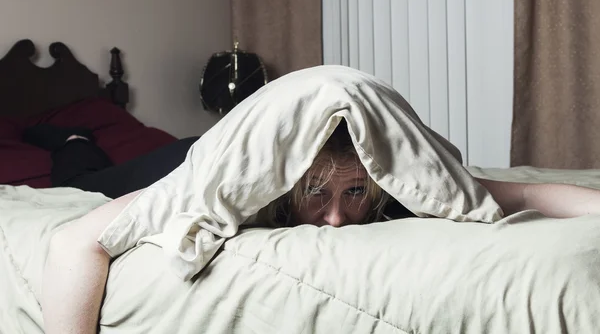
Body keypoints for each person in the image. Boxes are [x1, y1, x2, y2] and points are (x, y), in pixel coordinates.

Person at [41, 121, 600, 334]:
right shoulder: (223, 185)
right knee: (91, 177)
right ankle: (70, 138)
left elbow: (522, 193)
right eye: (317, 195)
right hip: (183, 157)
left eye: (355, 193)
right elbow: (76, 241)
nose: (337, 220)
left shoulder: (390, 183)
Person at [22, 124, 198, 199]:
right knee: (75, 190)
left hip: (196, 156)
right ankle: (76, 139)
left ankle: (78, 140)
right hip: (194, 156)